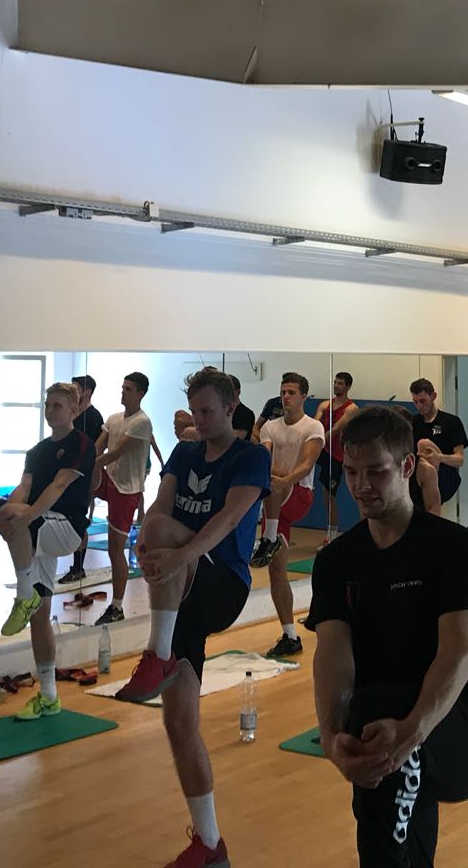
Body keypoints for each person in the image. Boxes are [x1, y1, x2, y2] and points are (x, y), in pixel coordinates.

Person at [308, 405, 468, 866]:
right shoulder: (336, 562)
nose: (361, 486)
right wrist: (331, 737)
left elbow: (455, 656)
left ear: (406, 467)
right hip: (383, 720)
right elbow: (333, 657)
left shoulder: (456, 549)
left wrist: (411, 731)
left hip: (465, 723)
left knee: (380, 720)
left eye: (376, 472)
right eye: (351, 472)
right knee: (371, 724)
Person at [115, 368, 270, 868]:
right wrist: (146, 546)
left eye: (208, 411)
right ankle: (209, 844)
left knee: (162, 529)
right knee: (179, 723)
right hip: (182, 595)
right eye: (194, 411)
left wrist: (178, 552)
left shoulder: (251, 457)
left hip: (223, 583)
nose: (199, 420)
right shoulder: (184, 454)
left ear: (231, 408)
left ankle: (157, 655)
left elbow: (230, 518)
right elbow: (160, 505)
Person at [0, 382, 96, 720]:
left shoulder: (81, 443)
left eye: (57, 405)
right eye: (47, 405)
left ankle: (24, 594)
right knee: (41, 617)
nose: (50, 410)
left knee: (18, 518)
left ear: (73, 410)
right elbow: (24, 487)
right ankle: (49, 696)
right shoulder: (37, 451)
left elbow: (59, 485)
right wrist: (8, 513)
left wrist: (23, 517)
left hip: (67, 528)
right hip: (42, 526)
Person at [252, 373, 326, 657]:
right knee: (277, 572)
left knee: (274, 483)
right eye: (283, 392)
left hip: (299, 494)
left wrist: (283, 479)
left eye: (291, 392)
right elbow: (264, 459)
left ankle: (268, 538)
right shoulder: (270, 427)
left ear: (303, 396)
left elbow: (306, 465)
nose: (285, 397)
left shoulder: (313, 426)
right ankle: (290, 636)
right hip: (275, 504)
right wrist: (277, 477)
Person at [91, 372, 154, 626]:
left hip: (126, 490)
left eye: (128, 389)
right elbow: (99, 447)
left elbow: (116, 453)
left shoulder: (142, 422)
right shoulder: (114, 418)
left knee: (114, 549)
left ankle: (117, 606)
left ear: (140, 393)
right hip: (110, 479)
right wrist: (84, 463)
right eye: (122, 387)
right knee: (83, 484)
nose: (123, 392)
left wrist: (89, 465)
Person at [59, 374, 107, 585]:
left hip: (83, 476)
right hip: (65, 473)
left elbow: (96, 450)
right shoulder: (71, 414)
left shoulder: (94, 417)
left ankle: (78, 567)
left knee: (78, 520)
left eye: (76, 389)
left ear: (87, 392)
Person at [409, 379, 468, 516]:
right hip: (417, 477)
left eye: (422, 401)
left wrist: (439, 458)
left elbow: (460, 459)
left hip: (444, 475)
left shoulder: (451, 422)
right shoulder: (414, 422)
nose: (419, 406)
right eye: (415, 402)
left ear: (433, 396)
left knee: (424, 444)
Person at [317, 371, 359, 543]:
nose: (336, 386)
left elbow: (334, 430)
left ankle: (332, 535)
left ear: (348, 387)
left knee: (329, 495)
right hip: (323, 452)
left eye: (340, 383)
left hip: (338, 456)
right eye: (335, 382)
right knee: (325, 494)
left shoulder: (351, 409)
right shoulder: (325, 405)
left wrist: (319, 439)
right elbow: (315, 425)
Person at [229, 375, 258, 443]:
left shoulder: (246, 414)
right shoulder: (218, 411)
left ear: (238, 392)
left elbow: (233, 439)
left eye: (228, 390)